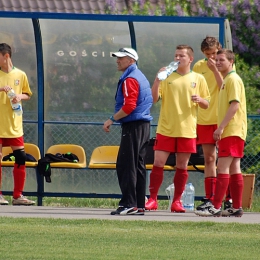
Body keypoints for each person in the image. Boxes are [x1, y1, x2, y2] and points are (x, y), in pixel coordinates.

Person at [145, 44, 210, 213]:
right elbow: (153, 99)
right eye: (176, 55)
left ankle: (177, 202)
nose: (178, 58)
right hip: (166, 128)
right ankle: (152, 199)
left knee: (182, 166)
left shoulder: (198, 78)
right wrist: (157, 80)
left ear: (190, 59)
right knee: (158, 163)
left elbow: (207, 104)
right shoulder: (167, 77)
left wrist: (200, 99)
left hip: (187, 130)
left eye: (181, 56)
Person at [195, 49, 247, 217]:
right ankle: (236, 207)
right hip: (235, 130)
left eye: (221, 60)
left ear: (231, 62)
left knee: (222, 167)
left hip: (232, 130)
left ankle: (216, 206)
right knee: (234, 168)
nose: (217, 62)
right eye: (216, 59)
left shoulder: (232, 79)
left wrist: (221, 127)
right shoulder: (226, 79)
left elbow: (235, 105)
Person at [103, 47, 153, 215]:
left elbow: (129, 106)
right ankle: (139, 204)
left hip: (133, 126)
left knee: (126, 165)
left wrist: (112, 119)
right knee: (138, 165)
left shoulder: (130, 79)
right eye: (117, 57)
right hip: (143, 125)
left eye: (121, 58)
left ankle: (128, 204)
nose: (117, 60)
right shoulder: (139, 75)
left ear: (131, 60)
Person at [193, 36, 232, 211]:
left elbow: (224, 87)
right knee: (209, 158)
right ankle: (210, 197)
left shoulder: (225, 65)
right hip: (204, 118)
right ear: (203, 53)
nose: (212, 58)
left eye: (215, 53)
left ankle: (228, 198)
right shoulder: (199, 67)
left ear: (219, 49)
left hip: (221, 119)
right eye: (208, 54)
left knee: (226, 160)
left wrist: (216, 70)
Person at [0, 43, 35, 206]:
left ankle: (17, 196)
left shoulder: (20, 75)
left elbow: (28, 93)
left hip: (14, 125)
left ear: (6, 56)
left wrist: (20, 97)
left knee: (21, 158)